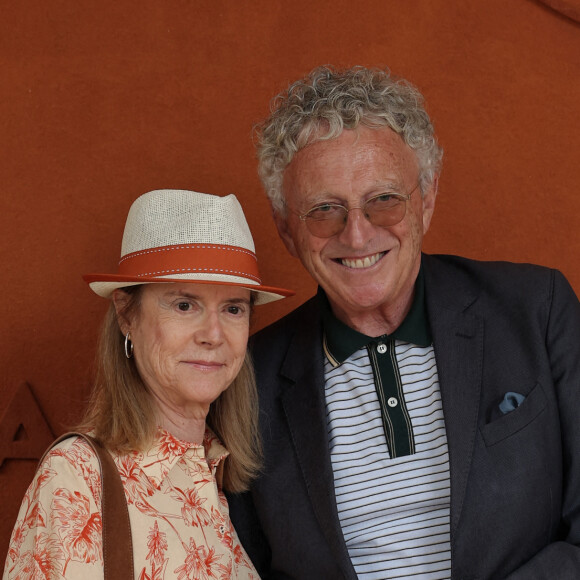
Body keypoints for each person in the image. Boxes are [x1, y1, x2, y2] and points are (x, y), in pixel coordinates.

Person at [227, 66, 580, 579]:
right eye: (325, 210)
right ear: (285, 229)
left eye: (384, 200)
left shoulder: (536, 308)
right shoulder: (246, 378)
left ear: (427, 198)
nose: (357, 234)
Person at [3, 189, 292, 579]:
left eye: (233, 308)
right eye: (184, 305)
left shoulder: (223, 475)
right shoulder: (76, 477)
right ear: (126, 315)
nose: (213, 334)